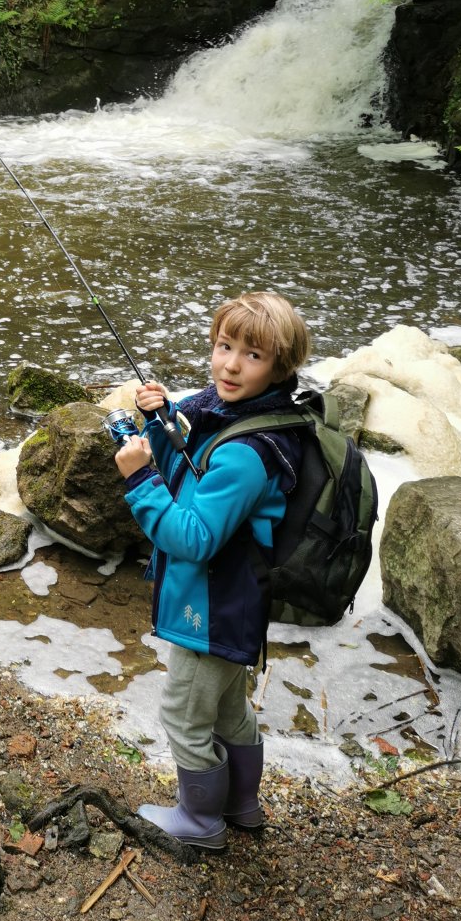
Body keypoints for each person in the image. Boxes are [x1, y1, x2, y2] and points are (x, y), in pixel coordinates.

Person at [114, 291, 311, 850]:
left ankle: (200, 821)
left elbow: (194, 539)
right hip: (233, 600)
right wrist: (158, 425)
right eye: (224, 346)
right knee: (227, 706)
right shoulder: (236, 417)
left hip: (216, 605)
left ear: (280, 366)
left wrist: (137, 481)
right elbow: (191, 469)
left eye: (252, 355)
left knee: (182, 711)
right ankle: (242, 806)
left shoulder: (247, 452)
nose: (229, 364)